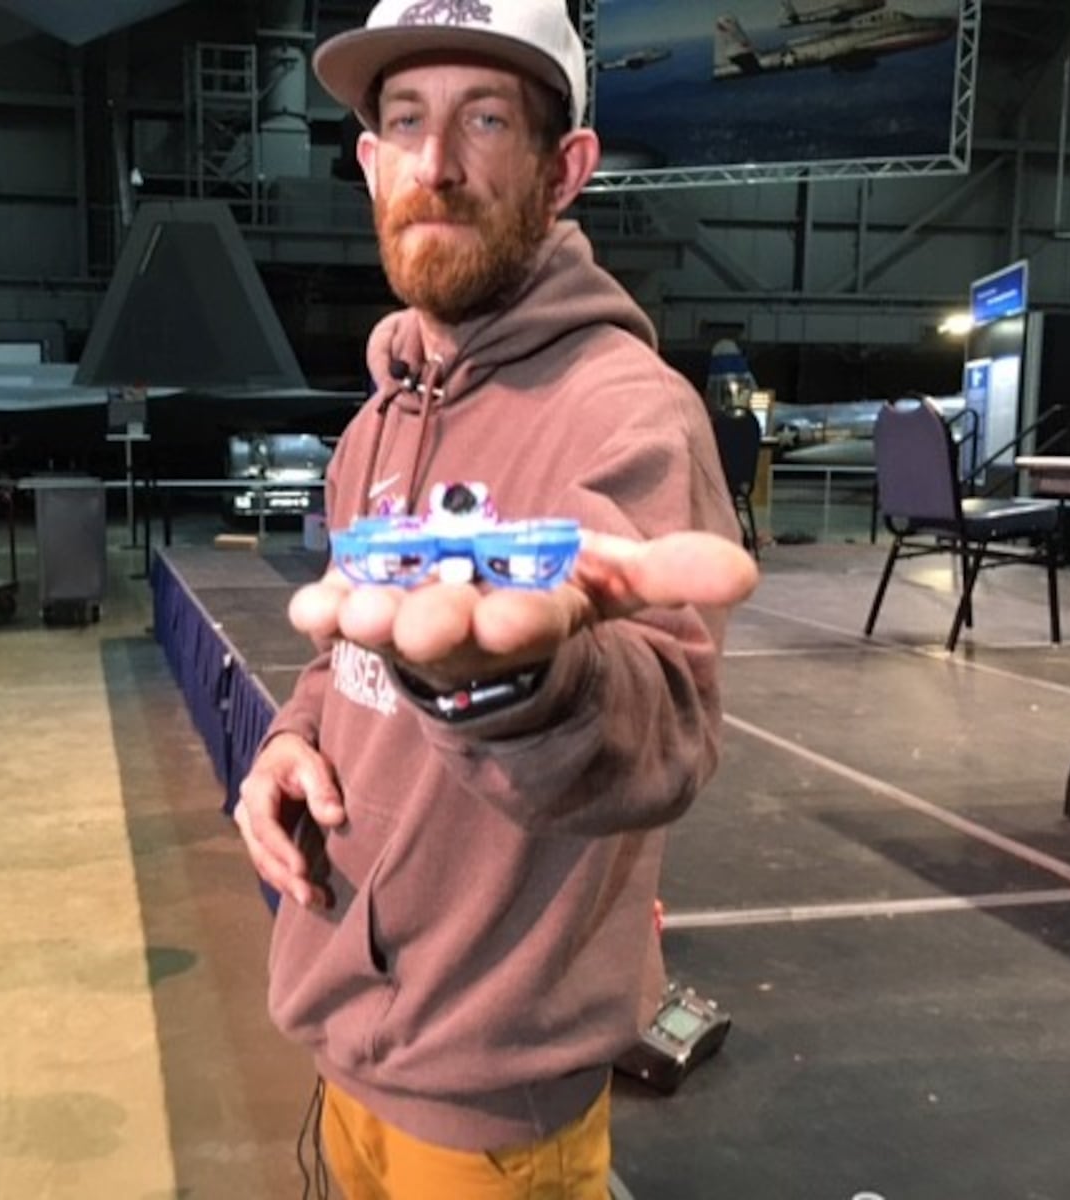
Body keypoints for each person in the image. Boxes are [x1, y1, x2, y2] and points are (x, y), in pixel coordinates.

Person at [231, 1, 759, 1196]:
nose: (435, 165)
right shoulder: (374, 421)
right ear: (366, 163)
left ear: (563, 167)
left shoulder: (626, 413)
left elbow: (659, 732)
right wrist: (287, 742)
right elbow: (350, 659)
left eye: (483, 119)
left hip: (488, 1101)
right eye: (403, 121)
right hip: (340, 1024)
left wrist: (521, 681)